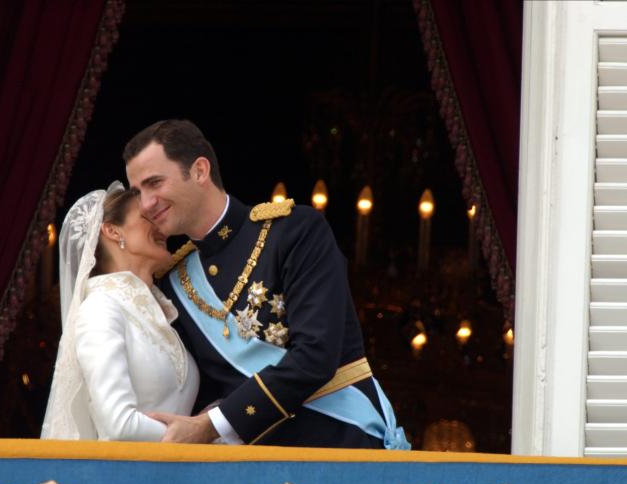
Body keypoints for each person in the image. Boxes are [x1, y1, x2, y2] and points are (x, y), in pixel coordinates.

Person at [124, 119, 409, 449]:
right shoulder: (174, 284)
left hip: (343, 450)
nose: (145, 204)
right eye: (137, 193)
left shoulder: (295, 232)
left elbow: (316, 355)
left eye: (155, 183)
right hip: (251, 474)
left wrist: (210, 425)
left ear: (200, 171)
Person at [41, 181, 199, 441]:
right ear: (113, 231)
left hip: (177, 475)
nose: (161, 225)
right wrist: (200, 436)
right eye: (148, 216)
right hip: (125, 476)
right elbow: (119, 425)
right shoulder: (100, 309)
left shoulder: (160, 314)